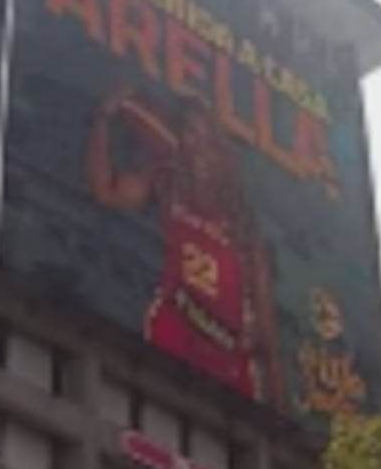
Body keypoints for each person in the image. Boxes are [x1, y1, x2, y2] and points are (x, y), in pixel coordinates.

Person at [84, 92, 281, 408]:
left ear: (223, 153)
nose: (200, 147)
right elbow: (107, 191)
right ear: (182, 140)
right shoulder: (167, 182)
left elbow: (267, 336)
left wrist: (280, 419)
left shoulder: (244, 229)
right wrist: (101, 123)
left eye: (208, 139)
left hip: (229, 360)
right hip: (174, 330)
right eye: (191, 133)